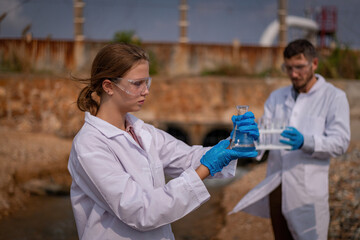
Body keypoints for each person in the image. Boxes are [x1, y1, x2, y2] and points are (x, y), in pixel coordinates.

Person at [68, 42, 259, 240]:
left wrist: (231, 144)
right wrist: (205, 169)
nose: (146, 91)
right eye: (137, 83)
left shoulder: (143, 132)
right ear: (108, 86)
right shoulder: (89, 145)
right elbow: (139, 211)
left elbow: (187, 157)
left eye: (147, 82)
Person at [230, 39, 350, 240]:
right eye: (288, 68)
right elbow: (263, 138)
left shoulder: (334, 97)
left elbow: (340, 143)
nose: (294, 74)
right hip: (276, 185)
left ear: (314, 64)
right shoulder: (277, 96)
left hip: (308, 190)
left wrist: (306, 142)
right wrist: (249, 138)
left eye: (300, 67)